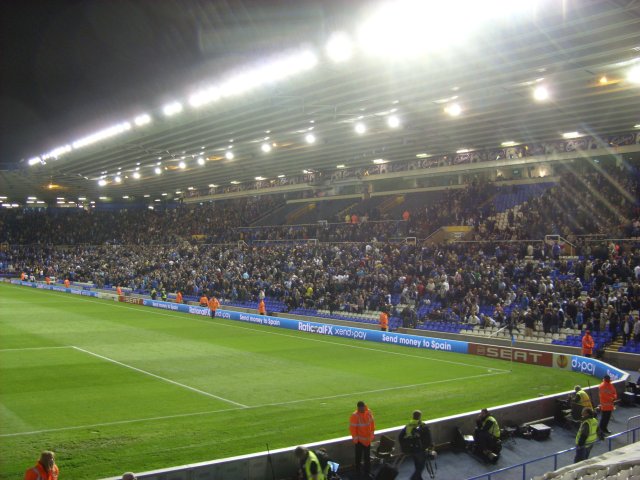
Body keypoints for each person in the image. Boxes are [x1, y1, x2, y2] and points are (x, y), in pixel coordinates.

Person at [399, 410, 433, 480]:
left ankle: (418, 478)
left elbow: (400, 436)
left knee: (417, 465)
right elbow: (428, 437)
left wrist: (404, 447)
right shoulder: (423, 425)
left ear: (413, 416)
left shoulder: (408, 425)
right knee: (420, 466)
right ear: (420, 417)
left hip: (412, 449)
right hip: (420, 449)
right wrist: (428, 446)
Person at [349, 400, 375, 479]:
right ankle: (358, 473)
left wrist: (372, 435)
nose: (362, 409)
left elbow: (372, 423)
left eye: (362, 408)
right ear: (358, 408)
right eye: (360, 408)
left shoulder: (369, 412)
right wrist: (356, 440)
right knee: (358, 458)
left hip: (367, 440)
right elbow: (353, 429)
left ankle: (367, 473)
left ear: (364, 406)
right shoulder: (355, 416)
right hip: (360, 441)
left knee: (367, 458)